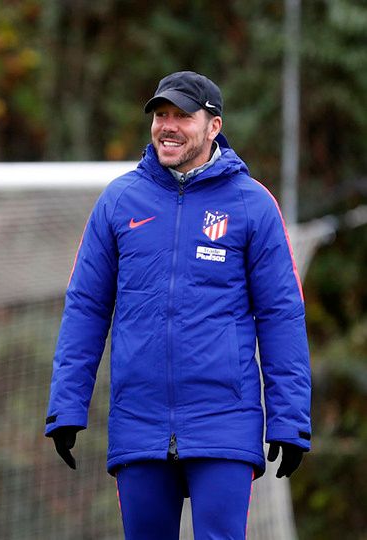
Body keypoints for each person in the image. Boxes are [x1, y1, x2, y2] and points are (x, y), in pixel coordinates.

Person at [44, 71, 312, 538]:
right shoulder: (119, 201)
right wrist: (67, 405)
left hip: (224, 422)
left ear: (213, 127)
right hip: (138, 422)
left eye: (182, 116)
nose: (167, 125)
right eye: (160, 115)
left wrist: (290, 420)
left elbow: (281, 316)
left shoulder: (253, 205)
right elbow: (86, 307)